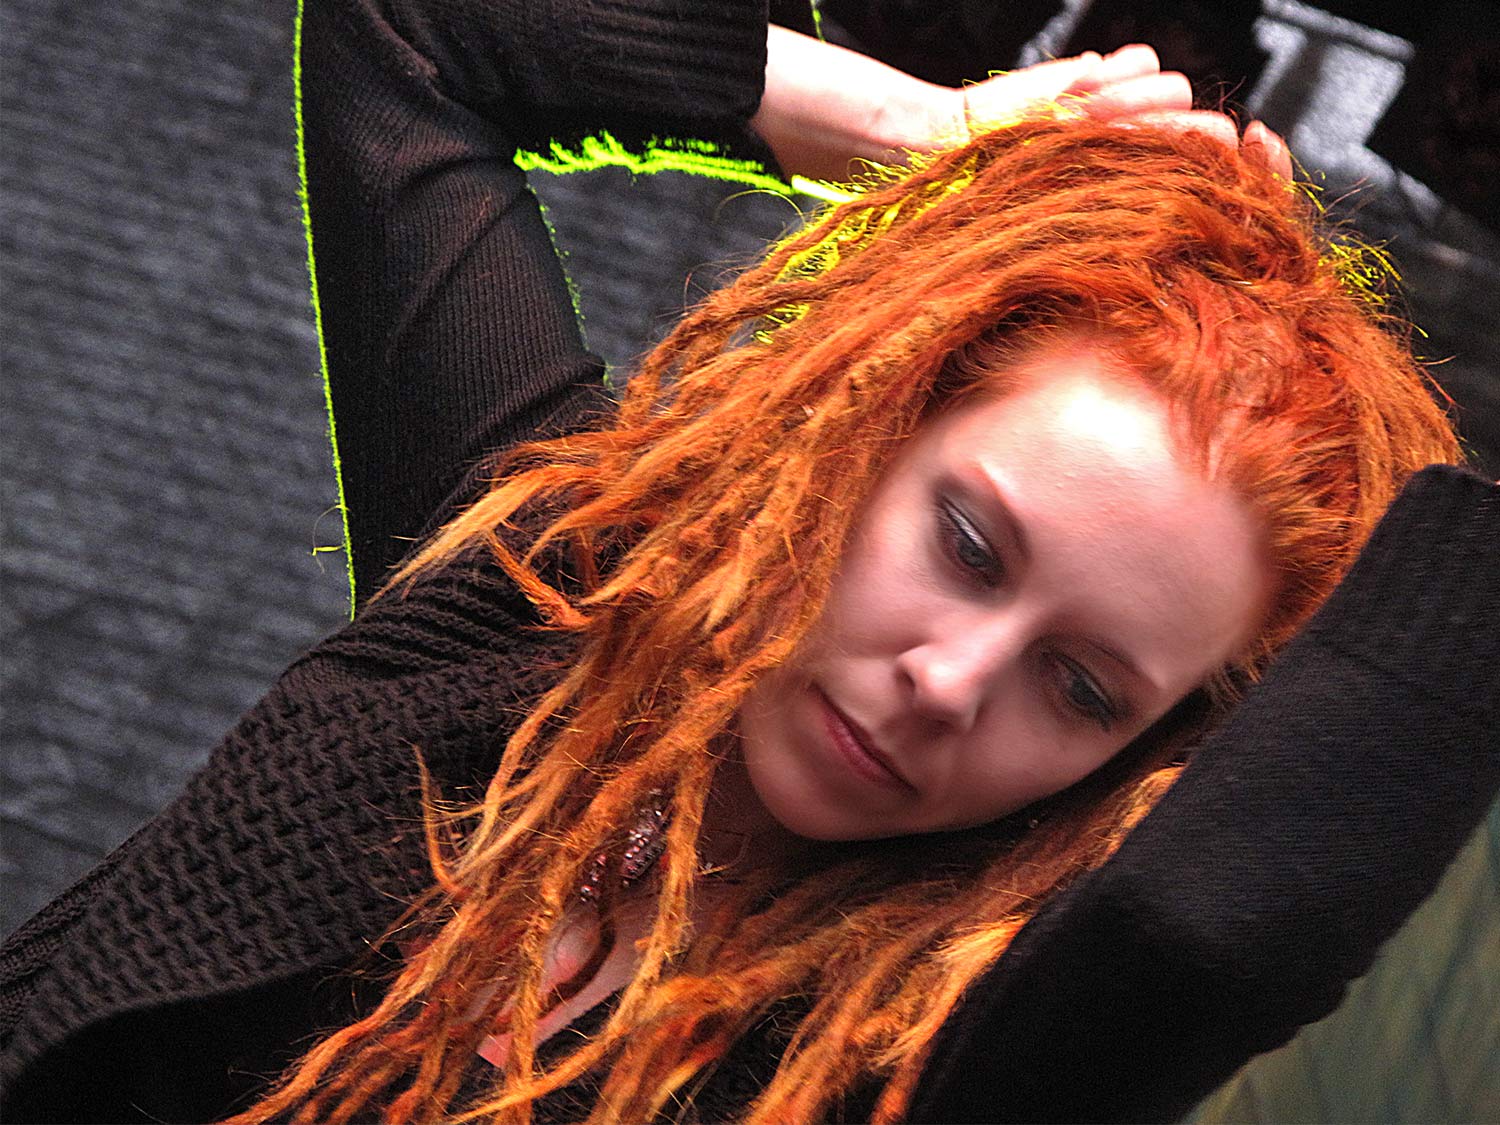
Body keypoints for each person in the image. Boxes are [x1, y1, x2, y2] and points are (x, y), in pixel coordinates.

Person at [1, 0, 1496, 1122]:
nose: (946, 681)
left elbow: (1202, 937)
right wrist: (941, 146)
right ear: (861, 436)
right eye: (968, 543)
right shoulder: (529, 589)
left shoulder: (928, 1061)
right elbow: (411, 41)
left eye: (1085, 686)